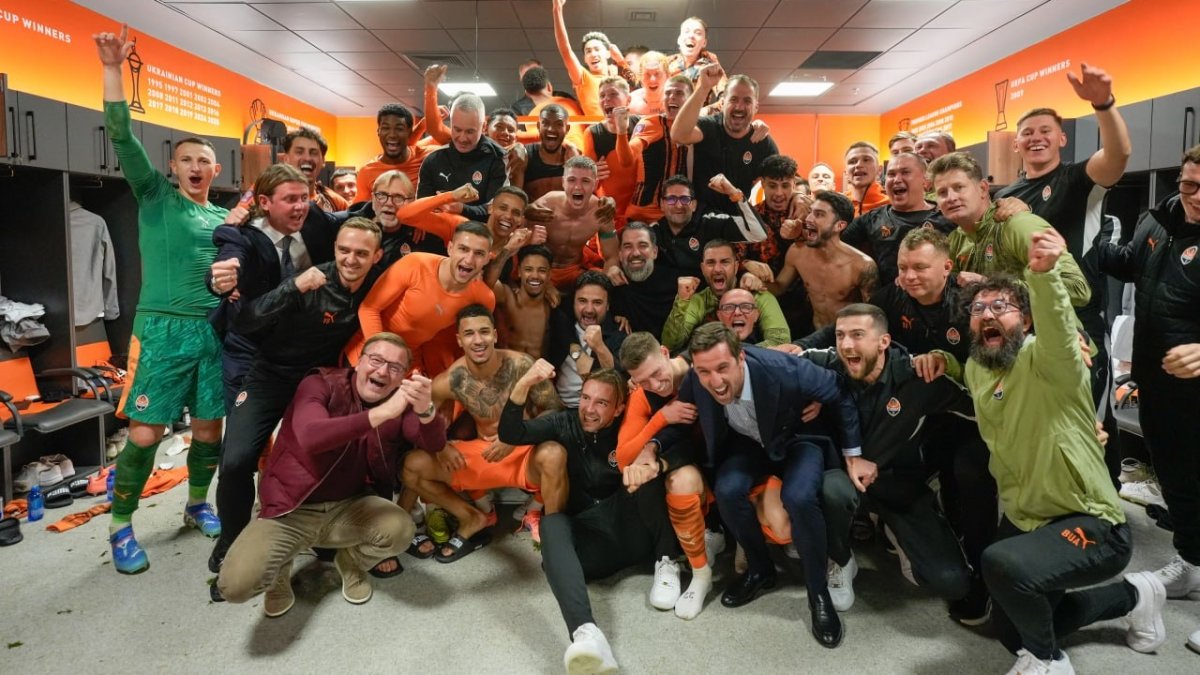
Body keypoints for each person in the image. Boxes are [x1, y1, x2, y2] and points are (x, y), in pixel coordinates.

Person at [952, 230, 1165, 674]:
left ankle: (1049, 662)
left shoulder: (1049, 360)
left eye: (1001, 307)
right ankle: (1135, 596)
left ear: (1028, 322)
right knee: (1012, 630)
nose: (987, 314)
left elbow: (1061, 336)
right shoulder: (976, 367)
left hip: (1090, 519)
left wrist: (1044, 276)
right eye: (978, 309)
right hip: (1026, 514)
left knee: (1001, 564)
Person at [95, 25, 226, 574]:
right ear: (173, 167)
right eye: (186, 159)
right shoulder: (154, 196)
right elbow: (121, 135)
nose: (195, 167)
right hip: (162, 330)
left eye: (204, 161)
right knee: (146, 433)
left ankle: (196, 503)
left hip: (211, 332)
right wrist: (112, 69)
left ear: (216, 170)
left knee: (209, 430)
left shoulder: (224, 219)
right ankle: (120, 527)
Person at [662, 323, 862, 648]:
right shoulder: (697, 379)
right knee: (727, 491)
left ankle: (818, 594)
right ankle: (760, 570)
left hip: (797, 437)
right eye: (704, 371)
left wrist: (853, 453)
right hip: (747, 443)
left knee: (799, 497)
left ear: (740, 358)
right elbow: (680, 419)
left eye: (722, 368)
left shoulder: (784, 369)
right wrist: (652, 448)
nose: (715, 381)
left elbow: (839, 389)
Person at [209, 218, 386, 581]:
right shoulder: (312, 280)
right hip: (270, 374)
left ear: (377, 256)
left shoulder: (379, 287)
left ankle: (324, 531)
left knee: (330, 456)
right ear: (334, 248)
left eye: (361, 253)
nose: (351, 259)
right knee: (235, 461)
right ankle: (231, 541)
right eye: (344, 250)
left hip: (318, 383)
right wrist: (293, 286)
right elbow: (247, 320)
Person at [216, 332, 444, 615]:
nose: (383, 371)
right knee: (235, 586)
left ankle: (350, 561)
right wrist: (383, 413)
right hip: (291, 507)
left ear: (402, 378)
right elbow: (311, 436)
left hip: (349, 506)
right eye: (376, 360)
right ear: (359, 362)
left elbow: (433, 444)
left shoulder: (399, 402)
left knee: (400, 530)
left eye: (395, 367)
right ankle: (278, 573)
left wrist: (426, 410)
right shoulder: (320, 383)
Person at [995, 62, 1132, 481]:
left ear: (1061, 138)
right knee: (1041, 427)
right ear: (1016, 143)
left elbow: (1118, 156)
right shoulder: (1004, 196)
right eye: (1027, 132)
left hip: (1079, 321)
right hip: (1025, 325)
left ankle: (1102, 509)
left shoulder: (1076, 179)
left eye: (1045, 130)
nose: (1036, 137)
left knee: (1087, 426)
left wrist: (1103, 104)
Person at [499, 363, 680, 673]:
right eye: (585, 398)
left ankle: (668, 560)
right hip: (591, 550)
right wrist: (524, 382)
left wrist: (654, 463)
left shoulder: (631, 424)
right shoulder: (565, 422)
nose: (589, 409)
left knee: (644, 472)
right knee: (552, 523)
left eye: (601, 402)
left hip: (634, 533)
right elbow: (511, 432)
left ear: (619, 408)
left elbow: (684, 448)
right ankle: (587, 634)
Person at [798, 304, 974, 607]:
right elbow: (774, 362)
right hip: (846, 481)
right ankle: (841, 558)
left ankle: (889, 526)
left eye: (857, 335)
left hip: (899, 485)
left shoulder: (918, 375)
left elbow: (982, 408)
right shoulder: (826, 364)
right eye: (840, 335)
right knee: (831, 490)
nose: (846, 345)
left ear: (883, 341)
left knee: (952, 582)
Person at [1099, 145, 1200, 653]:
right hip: (1161, 384)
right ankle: (1193, 563)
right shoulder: (1157, 219)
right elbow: (1129, 266)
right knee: (1179, 481)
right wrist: (1092, 238)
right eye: (1190, 185)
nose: (1197, 197)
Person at [402, 305, 566, 562]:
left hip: (524, 454)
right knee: (413, 464)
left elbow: (556, 412)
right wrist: (440, 446)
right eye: (469, 334)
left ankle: (551, 529)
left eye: (484, 332)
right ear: (459, 340)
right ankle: (472, 517)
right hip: (486, 454)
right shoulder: (453, 378)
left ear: (495, 335)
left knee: (555, 453)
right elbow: (417, 418)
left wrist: (516, 437)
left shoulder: (521, 364)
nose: (478, 340)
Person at [616, 332, 720, 620]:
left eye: (656, 373)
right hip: (684, 467)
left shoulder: (704, 368)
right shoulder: (643, 395)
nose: (654, 384)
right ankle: (670, 560)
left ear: (664, 352)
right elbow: (624, 459)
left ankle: (720, 532)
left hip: (725, 462)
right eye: (643, 380)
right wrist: (662, 418)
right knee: (649, 473)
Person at [207, 164, 314, 412]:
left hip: (301, 350)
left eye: (304, 198)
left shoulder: (315, 225)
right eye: (290, 199)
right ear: (265, 202)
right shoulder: (243, 236)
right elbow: (227, 262)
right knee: (243, 430)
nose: (300, 206)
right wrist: (219, 282)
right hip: (250, 350)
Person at [929, 152, 1092, 308]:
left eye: (959, 187)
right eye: (942, 192)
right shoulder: (955, 240)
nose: (951, 198)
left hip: (1047, 327)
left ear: (983, 189)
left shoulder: (1017, 225)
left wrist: (994, 286)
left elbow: (1078, 289)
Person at [352, 221, 496, 375]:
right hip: (368, 348)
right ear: (450, 248)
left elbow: (452, 341)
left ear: (488, 258)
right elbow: (369, 309)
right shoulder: (415, 263)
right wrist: (381, 355)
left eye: (479, 253)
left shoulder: (484, 298)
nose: (469, 260)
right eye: (463, 249)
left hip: (408, 361)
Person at [671, 66, 779, 216]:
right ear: (722, 104)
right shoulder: (708, 127)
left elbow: (782, 179)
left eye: (747, 101)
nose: (739, 107)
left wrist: (798, 195)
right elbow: (678, 135)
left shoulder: (763, 142)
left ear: (756, 107)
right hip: (702, 220)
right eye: (733, 99)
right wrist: (703, 88)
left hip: (740, 221)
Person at [842, 152, 955, 287]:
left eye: (905, 172)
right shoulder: (872, 219)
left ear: (925, 181)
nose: (897, 179)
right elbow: (835, 244)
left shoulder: (947, 218)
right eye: (891, 174)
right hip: (887, 297)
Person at [772, 191, 878, 328]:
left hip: (847, 335)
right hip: (815, 332)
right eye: (810, 212)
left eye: (819, 214)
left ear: (839, 225)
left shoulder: (862, 265)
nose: (808, 219)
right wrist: (751, 279)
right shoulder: (797, 252)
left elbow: (874, 315)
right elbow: (779, 287)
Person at [663, 240, 789, 352]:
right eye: (711, 263)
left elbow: (780, 341)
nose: (717, 269)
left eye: (725, 262)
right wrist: (682, 301)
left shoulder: (759, 295)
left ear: (736, 267)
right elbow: (670, 344)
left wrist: (731, 355)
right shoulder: (698, 301)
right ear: (702, 268)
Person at [650, 174, 770, 281]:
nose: (678, 205)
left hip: (709, 294)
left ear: (694, 205)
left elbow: (758, 233)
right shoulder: (654, 231)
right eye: (671, 199)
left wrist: (735, 194)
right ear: (662, 204)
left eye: (685, 199)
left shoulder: (710, 222)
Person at [532, 156, 619, 291]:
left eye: (585, 181)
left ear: (595, 184)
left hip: (576, 270)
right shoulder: (547, 204)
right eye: (572, 180)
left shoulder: (601, 212)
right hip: (542, 269)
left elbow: (611, 256)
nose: (578, 187)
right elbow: (519, 243)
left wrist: (605, 287)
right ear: (563, 182)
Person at [416, 94, 507, 223]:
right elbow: (421, 208)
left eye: (470, 132)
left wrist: (462, 209)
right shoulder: (433, 160)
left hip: (480, 233)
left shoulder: (499, 159)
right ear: (451, 124)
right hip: (438, 231)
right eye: (457, 130)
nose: (462, 138)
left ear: (484, 127)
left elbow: (497, 209)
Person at [547, 271, 628, 407]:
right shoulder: (560, 325)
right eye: (582, 301)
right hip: (560, 407)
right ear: (573, 302)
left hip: (597, 411)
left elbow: (621, 383)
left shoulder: (619, 335)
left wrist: (600, 348)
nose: (589, 309)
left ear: (608, 306)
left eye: (597, 302)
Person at [625, 75, 693, 225]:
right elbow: (628, 156)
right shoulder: (650, 123)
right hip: (644, 214)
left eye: (679, 93)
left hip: (680, 213)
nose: (672, 97)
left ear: (690, 100)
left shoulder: (699, 128)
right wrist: (621, 133)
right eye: (668, 93)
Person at [607, 222, 678, 334]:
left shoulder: (677, 284)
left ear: (655, 252)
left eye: (643, 245)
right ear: (620, 254)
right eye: (628, 246)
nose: (635, 253)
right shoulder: (613, 288)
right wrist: (611, 319)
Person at [550, 0, 611, 117]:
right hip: (598, 128)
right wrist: (557, 10)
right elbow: (566, 50)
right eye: (588, 51)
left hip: (623, 126)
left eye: (597, 49)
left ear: (608, 54)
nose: (593, 54)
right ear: (584, 59)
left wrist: (621, 61)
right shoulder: (583, 78)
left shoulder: (618, 79)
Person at [495, 245, 556, 359]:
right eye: (528, 269)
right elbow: (488, 281)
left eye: (542, 271)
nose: (535, 276)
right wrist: (507, 249)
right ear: (519, 271)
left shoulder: (552, 307)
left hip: (538, 369)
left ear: (549, 274)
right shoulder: (507, 296)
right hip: (506, 367)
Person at [355, 103, 429, 195]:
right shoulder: (366, 172)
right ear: (378, 131)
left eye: (399, 129)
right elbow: (361, 204)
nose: (392, 135)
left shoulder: (427, 157)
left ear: (409, 132)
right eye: (386, 128)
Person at [510, 103, 576, 202]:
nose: (551, 129)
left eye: (558, 124)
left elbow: (581, 199)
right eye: (545, 123)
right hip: (529, 212)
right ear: (538, 126)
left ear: (567, 129)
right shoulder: (524, 156)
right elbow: (514, 200)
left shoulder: (573, 156)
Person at [279, 128, 347, 213]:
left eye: (314, 153)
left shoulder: (337, 203)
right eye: (299, 152)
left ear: (323, 161)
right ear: (285, 159)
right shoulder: (271, 198)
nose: (307, 158)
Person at [667, 16, 725, 106]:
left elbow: (726, 97)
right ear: (679, 39)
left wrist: (704, 112)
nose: (691, 36)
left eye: (698, 33)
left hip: (697, 114)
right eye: (686, 31)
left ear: (704, 43)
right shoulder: (667, 63)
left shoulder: (709, 62)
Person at [844, 142, 889, 217]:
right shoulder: (837, 205)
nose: (858, 165)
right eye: (852, 161)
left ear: (879, 170)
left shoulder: (891, 206)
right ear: (846, 173)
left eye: (866, 160)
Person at [628, 50, 668, 115]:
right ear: (640, 76)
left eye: (657, 74)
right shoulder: (630, 102)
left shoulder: (677, 101)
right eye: (647, 74)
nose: (652, 80)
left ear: (667, 75)